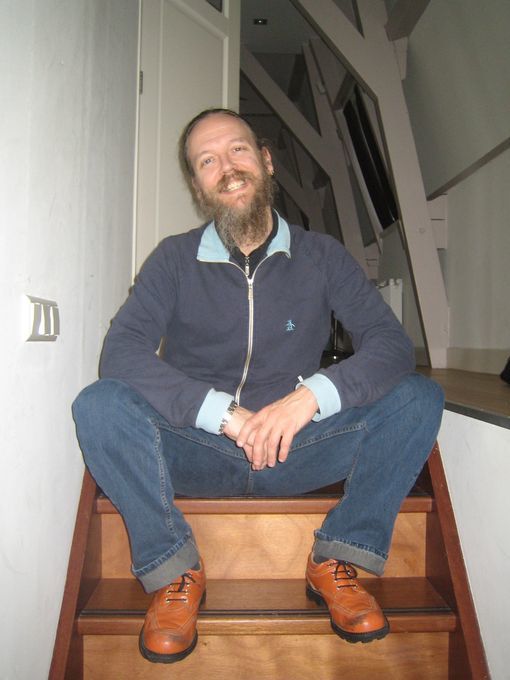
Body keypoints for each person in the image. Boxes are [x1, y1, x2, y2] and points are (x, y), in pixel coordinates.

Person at [72, 108, 444, 664]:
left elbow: (391, 345)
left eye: (238, 150)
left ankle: (336, 559)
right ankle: (174, 571)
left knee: (419, 397)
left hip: (298, 449)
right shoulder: (173, 259)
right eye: (207, 161)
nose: (227, 168)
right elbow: (121, 353)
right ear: (198, 185)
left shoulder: (322, 256)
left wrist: (310, 397)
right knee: (99, 404)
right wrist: (222, 413)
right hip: (198, 449)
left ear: (266, 161)